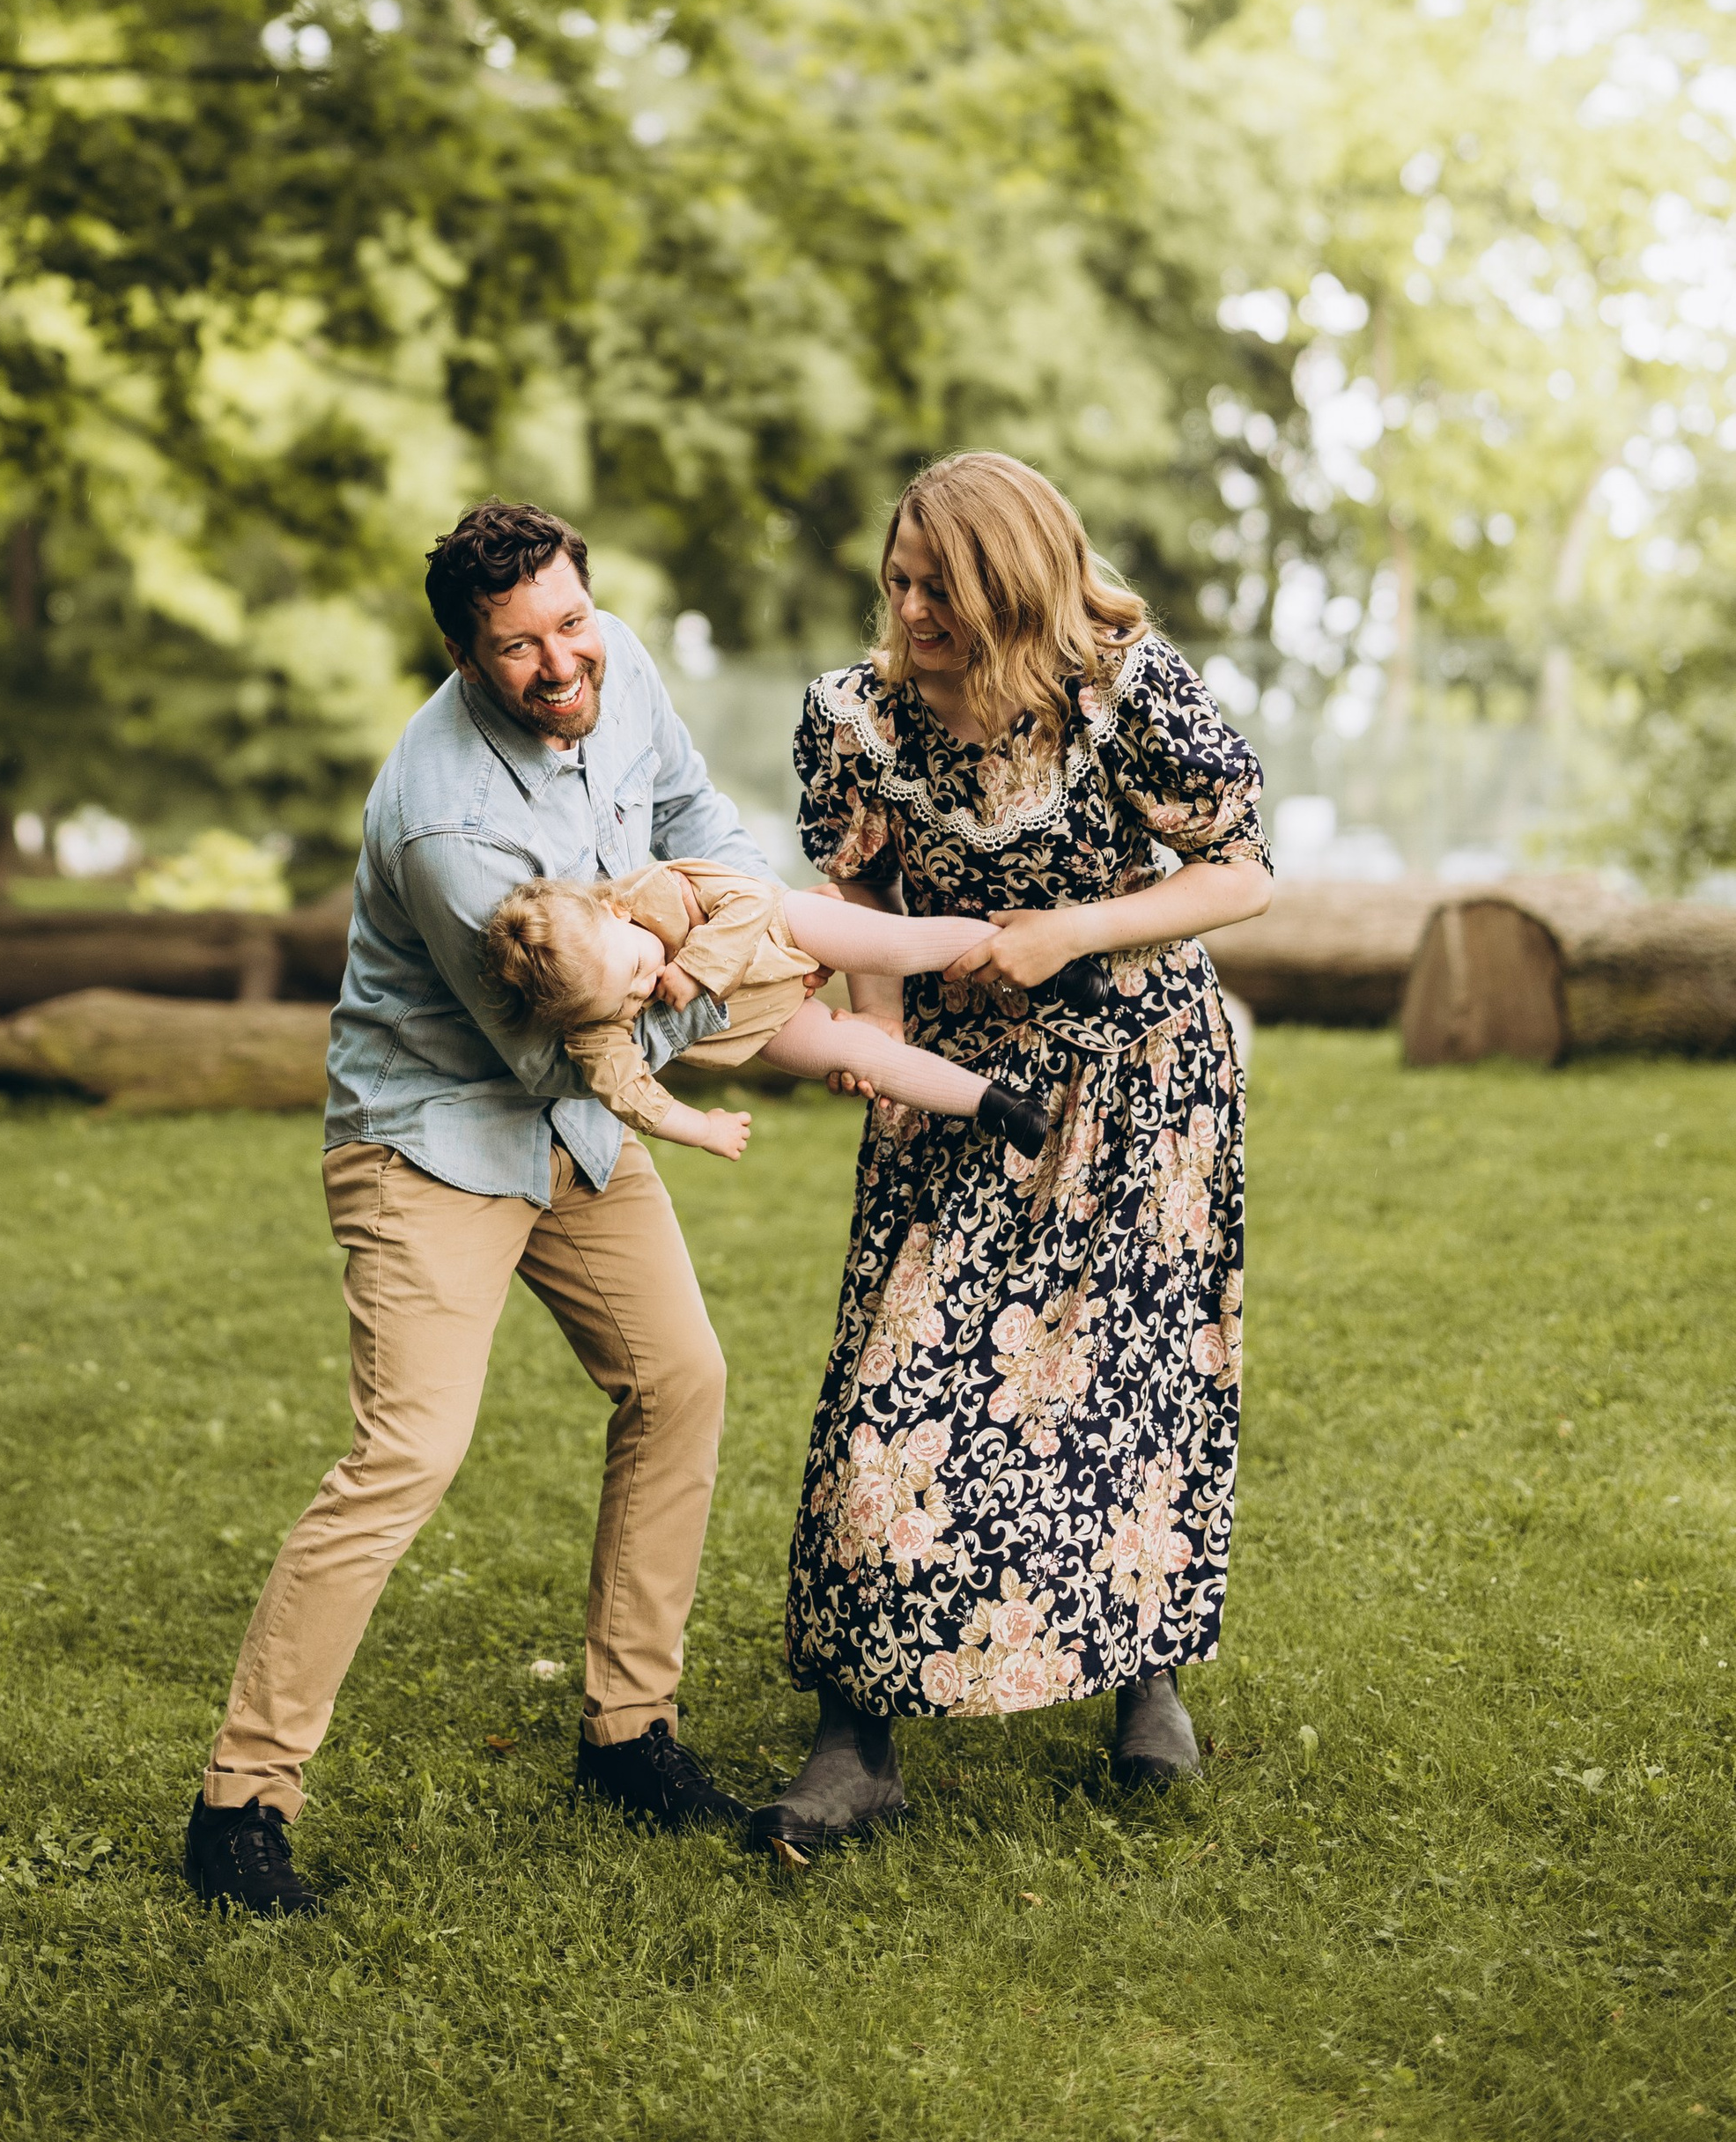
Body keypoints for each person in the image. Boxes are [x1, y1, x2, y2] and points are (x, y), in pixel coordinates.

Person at [186, 500, 774, 1918]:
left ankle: (630, 1736)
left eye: (570, 622)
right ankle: (239, 1809)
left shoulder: (615, 660)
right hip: (434, 1137)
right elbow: (553, 1047)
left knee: (680, 1377)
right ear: (460, 654)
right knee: (411, 1453)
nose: (559, 662)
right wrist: (719, 974)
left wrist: (723, 900)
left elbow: (702, 816)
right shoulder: (448, 822)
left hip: (578, 1126)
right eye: (516, 647)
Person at [755, 452, 1271, 1858]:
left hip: (1142, 1082)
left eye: (946, 590)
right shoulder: (854, 719)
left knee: (1127, 1385)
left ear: (1018, 585)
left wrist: (1075, 930)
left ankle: (1142, 1682)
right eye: (902, 581)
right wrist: (889, 1057)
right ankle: (856, 1739)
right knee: (894, 1386)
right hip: (954, 1083)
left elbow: (1244, 869)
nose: (913, 611)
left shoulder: (1123, 686)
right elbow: (851, 885)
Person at [481, 860, 1045, 1158]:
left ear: (616, 912)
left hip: (783, 929)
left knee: (894, 945)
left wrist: (695, 966)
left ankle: (1035, 956)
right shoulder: (592, 1030)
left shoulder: (655, 889)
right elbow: (633, 1098)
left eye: (636, 971)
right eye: (625, 1002)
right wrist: (702, 1128)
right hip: (760, 1023)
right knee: (863, 1057)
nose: (645, 990)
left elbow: (749, 897)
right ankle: (999, 1106)